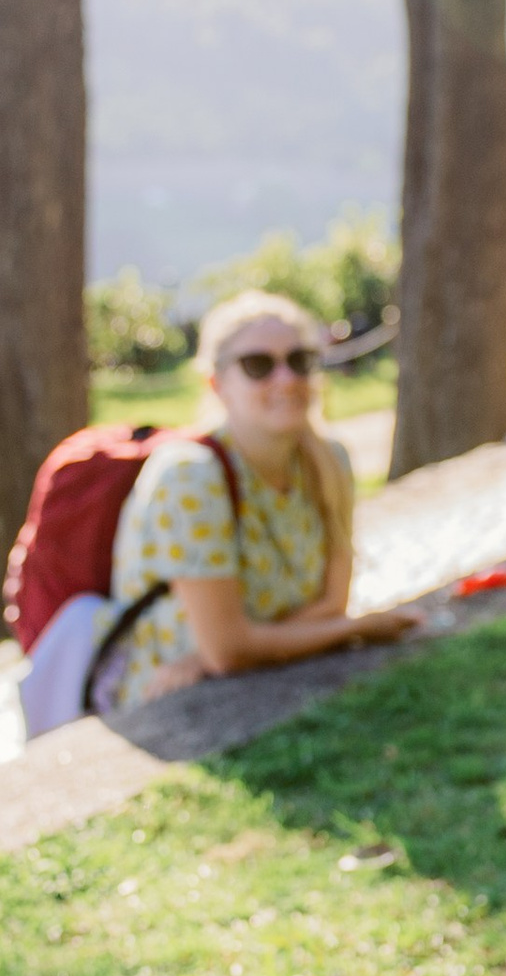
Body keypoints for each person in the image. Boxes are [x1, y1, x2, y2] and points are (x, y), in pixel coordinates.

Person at [93, 289, 419, 709]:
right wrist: (358, 628)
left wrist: (236, 647)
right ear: (216, 383)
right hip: (167, 702)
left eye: (299, 360)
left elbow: (330, 605)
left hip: (269, 688)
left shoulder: (328, 460)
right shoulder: (190, 475)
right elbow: (229, 651)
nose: (286, 379)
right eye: (258, 365)